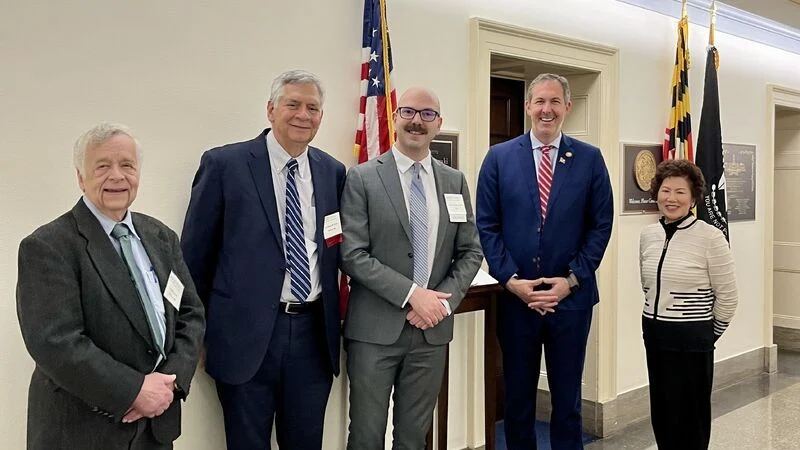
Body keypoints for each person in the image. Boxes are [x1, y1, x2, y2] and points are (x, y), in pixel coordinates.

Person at [180, 70, 345, 450]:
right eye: (293, 104)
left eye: (313, 107)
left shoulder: (332, 172)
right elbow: (194, 257)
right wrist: (197, 335)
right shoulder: (226, 165)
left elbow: (337, 247)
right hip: (243, 337)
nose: (303, 114)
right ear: (271, 110)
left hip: (312, 337)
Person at [16, 123, 206, 450]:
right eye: (102, 166)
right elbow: (56, 342)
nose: (117, 176)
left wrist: (170, 385)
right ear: (80, 177)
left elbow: (191, 313)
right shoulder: (48, 246)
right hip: (83, 432)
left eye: (127, 165)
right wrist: (133, 390)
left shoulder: (161, 238)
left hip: (156, 428)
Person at [476, 73, 614, 449]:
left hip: (570, 301)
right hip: (515, 301)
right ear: (527, 107)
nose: (546, 109)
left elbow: (600, 227)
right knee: (518, 399)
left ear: (567, 107)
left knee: (567, 401)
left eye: (555, 102)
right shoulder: (499, 158)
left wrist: (570, 280)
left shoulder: (590, 160)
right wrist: (511, 281)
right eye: (539, 101)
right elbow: (487, 226)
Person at [341, 86, 483, 449]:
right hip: (374, 332)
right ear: (395, 117)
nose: (417, 121)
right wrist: (412, 296)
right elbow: (353, 255)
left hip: (431, 333)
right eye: (408, 112)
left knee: (413, 437)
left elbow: (470, 251)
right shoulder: (362, 178)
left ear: (439, 124)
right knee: (367, 436)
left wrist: (439, 304)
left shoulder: (454, 181)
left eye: (427, 114)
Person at [639, 159, 737, 450]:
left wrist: (707, 333)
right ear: (657, 193)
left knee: (691, 416)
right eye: (666, 190)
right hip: (655, 335)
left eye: (681, 192)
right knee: (663, 411)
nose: (671, 198)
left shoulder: (711, 237)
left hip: (693, 338)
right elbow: (647, 286)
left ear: (694, 198)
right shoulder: (648, 236)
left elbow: (728, 296)